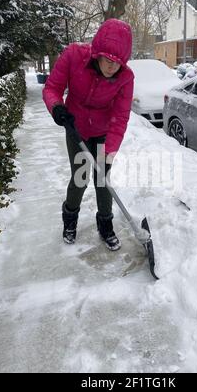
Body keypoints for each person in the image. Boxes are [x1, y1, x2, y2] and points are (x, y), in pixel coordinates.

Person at [43, 19, 134, 251]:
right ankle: (70, 221)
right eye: (108, 60)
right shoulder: (74, 55)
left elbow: (121, 116)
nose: (113, 66)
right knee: (81, 177)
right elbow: (52, 88)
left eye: (118, 62)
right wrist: (57, 108)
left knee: (103, 179)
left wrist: (110, 152)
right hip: (76, 128)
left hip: (103, 132)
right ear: (97, 53)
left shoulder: (126, 77)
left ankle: (105, 225)